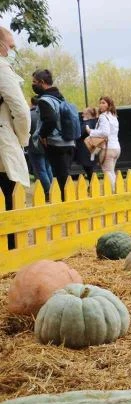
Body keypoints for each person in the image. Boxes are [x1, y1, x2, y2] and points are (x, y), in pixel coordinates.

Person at [0, 27, 31, 250]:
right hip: (2, 144)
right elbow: (21, 110)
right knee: (10, 198)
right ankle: (10, 251)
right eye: (10, 46)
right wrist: (22, 139)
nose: (11, 51)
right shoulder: (1, 68)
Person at [32, 68, 76, 200]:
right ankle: (66, 202)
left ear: (42, 82)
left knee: (59, 180)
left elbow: (50, 119)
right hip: (68, 141)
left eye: (34, 82)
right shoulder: (60, 97)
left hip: (55, 143)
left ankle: (63, 206)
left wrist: (43, 135)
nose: (33, 85)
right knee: (64, 178)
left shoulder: (45, 100)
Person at [86, 96, 121, 192]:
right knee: (111, 171)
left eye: (103, 103)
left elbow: (105, 132)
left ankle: (115, 192)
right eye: (100, 102)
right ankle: (116, 190)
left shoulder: (103, 116)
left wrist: (90, 131)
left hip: (107, 148)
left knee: (108, 172)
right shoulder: (114, 116)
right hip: (116, 148)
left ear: (109, 105)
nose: (100, 104)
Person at [28, 96, 53, 199]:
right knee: (48, 168)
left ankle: (48, 192)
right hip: (46, 143)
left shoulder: (30, 115)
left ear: (31, 103)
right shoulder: (44, 113)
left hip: (34, 146)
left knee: (41, 170)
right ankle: (54, 189)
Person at [74, 106, 98, 178]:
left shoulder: (88, 123)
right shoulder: (93, 121)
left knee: (89, 168)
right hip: (88, 148)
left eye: (84, 114)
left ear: (88, 114)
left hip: (86, 149)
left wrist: (84, 121)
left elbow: (80, 133)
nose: (82, 115)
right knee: (88, 168)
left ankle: (92, 183)